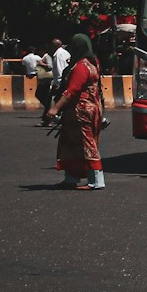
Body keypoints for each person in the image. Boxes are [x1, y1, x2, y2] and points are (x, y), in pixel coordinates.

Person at [48, 33, 106, 189]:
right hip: (91, 108)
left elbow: (72, 91)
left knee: (87, 144)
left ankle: (96, 181)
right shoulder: (93, 63)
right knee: (73, 144)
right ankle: (71, 178)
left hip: (81, 111)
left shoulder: (80, 66)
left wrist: (55, 108)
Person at [41, 37, 69, 126]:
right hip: (63, 80)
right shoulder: (65, 53)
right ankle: (48, 119)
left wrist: (58, 83)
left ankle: (50, 119)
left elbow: (60, 70)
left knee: (53, 100)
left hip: (59, 81)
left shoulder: (59, 55)